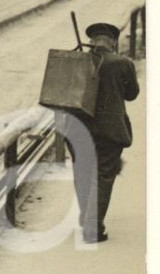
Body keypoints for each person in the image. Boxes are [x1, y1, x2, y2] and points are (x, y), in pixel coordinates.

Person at [58, 22, 140, 243]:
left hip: (78, 129)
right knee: (103, 176)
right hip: (110, 131)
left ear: (92, 42)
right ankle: (93, 227)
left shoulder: (78, 62)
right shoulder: (122, 63)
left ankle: (87, 218)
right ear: (112, 42)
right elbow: (132, 94)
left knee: (83, 173)